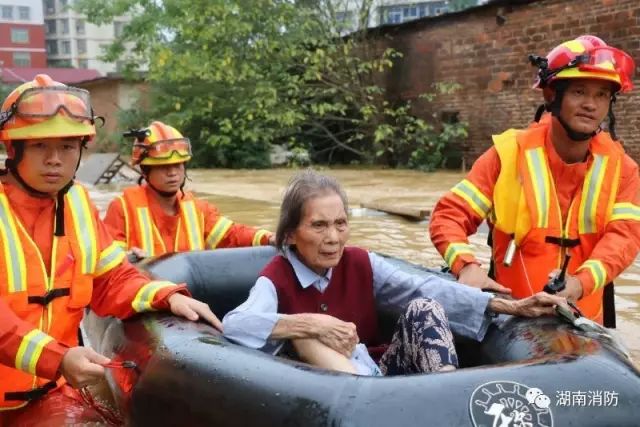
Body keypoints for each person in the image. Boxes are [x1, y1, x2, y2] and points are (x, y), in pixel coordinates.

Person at [0, 75, 222, 425]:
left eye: (68, 147)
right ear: (13, 149)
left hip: (49, 392)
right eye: (41, 146)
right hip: (48, 371)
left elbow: (109, 277)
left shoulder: (78, 206)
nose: (55, 159)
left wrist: (165, 295)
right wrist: (56, 358)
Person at [223, 169, 567, 375]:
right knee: (305, 334)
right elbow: (236, 323)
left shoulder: (360, 262)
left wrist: (512, 306)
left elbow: (422, 288)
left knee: (425, 307)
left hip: (379, 374)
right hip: (327, 394)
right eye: (318, 226)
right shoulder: (276, 277)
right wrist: (311, 323)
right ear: (290, 235)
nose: (332, 238)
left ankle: (447, 397)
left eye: (340, 224)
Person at [429, 35, 640, 326]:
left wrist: (579, 283)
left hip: (585, 324)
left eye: (602, 95)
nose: (591, 104)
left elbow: (625, 237)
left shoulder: (623, 170)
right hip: (512, 320)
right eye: (579, 91)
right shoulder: (508, 154)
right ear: (551, 95)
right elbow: (448, 215)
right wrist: (467, 267)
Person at [103, 121, 273, 259]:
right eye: (163, 167)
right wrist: (127, 257)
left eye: (178, 165)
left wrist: (269, 237)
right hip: (147, 293)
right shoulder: (122, 209)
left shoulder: (199, 210)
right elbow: (107, 258)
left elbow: (231, 235)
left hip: (190, 293)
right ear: (145, 171)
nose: (173, 173)